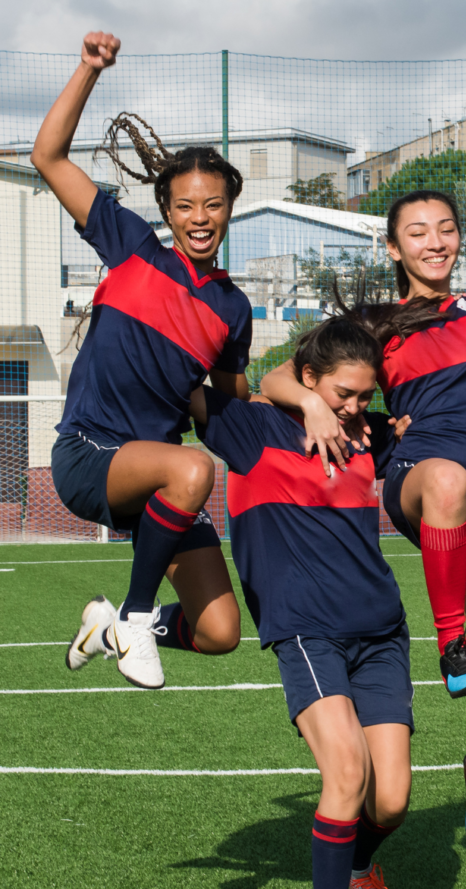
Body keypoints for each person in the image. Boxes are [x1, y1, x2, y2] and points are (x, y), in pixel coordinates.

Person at [262, 191, 466, 853]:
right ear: (393, 249)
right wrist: (310, 403)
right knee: (448, 478)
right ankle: (450, 646)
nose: (435, 242)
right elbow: (277, 377)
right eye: (417, 233)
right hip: (420, 476)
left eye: (446, 229)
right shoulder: (377, 322)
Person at [191, 317, 414, 889]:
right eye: (340, 393)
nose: (353, 405)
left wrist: (349, 410)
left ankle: (359, 866)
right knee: (345, 774)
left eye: (362, 395)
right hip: (305, 629)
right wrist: (296, 395)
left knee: (392, 799)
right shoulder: (252, 431)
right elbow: (189, 385)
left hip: (380, 630)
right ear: (309, 379)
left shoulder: (370, 434)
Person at [32, 32, 252, 690]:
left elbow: (229, 399)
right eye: (185, 205)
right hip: (90, 455)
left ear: (229, 207)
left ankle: (113, 625)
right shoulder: (131, 248)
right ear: (165, 210)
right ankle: (131, 616)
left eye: (213, 204)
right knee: (189, 466)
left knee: (219, 633)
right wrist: (88, 69)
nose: (200, 217)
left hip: (162, 485)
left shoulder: (233, 309)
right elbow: (48, 156)